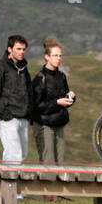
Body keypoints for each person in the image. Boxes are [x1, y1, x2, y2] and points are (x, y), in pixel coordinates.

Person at [0, 34, 36, 163]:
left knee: (23, 155)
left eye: (24, 49)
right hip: (8, 118)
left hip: (23, 118)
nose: (22, 52)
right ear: (10, 49)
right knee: (14, 156)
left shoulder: (24, 69)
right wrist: (4, 114)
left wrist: (29, 114)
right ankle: (9, 183)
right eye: (19, 49)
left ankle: (15, 182)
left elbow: (29, 92)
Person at [31, 36, 75, 165]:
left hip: (60, 124)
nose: (58, 58)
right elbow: (36, 106)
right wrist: (57, 103)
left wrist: (71, 97)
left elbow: (65, 101)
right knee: (47, 164)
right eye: (55, 55)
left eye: (60, 56)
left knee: (60, 164)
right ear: (47, 57)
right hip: (44, 125)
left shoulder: (62, 76)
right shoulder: (40, 78)